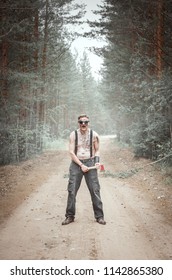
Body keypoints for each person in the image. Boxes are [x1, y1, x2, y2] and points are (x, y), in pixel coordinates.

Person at [62, 114, 106, 225]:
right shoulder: (73, 135)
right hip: (76, 164)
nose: (83, 124)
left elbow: (97, 150)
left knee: (95, 190)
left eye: (85, 122)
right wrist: (81, 165)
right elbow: (71, 152)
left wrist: (96, 161)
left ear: (88, 123)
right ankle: (70, 216)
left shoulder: (94, 135)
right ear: (78, 123)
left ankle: (99, 216)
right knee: (71, 190)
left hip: (90, 162)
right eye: (81, 122)